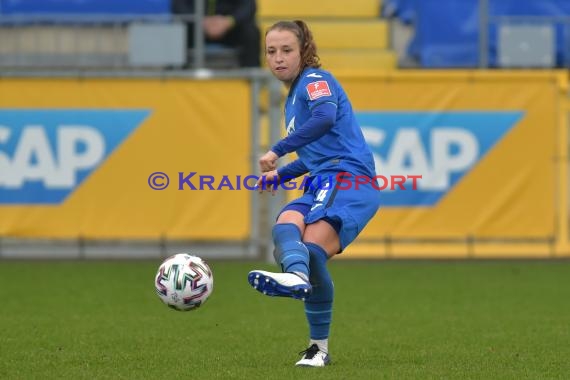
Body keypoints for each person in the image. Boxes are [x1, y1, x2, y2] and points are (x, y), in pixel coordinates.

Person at [247, 20, 381, 367]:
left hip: (348, 179)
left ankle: (298, 278)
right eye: (271, 51)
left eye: (287, 50)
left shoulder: (315, 80)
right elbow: (313, 155)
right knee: (285, 222)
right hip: (324, 178)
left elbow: (324, 118)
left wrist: (276, 150)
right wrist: (280, 176)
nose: (278, 58)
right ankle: (316, 347)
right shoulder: (293, 97)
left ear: (304, 51)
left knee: (310, 249)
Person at [171, 0, 261, 68]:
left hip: (229, 28)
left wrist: (228, 21)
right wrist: (201, 21)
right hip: (196, 27)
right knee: (177, 31)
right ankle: (176, 77)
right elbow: (178, 6)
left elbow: (249, 6)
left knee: (251, 32)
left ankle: (252, 80)